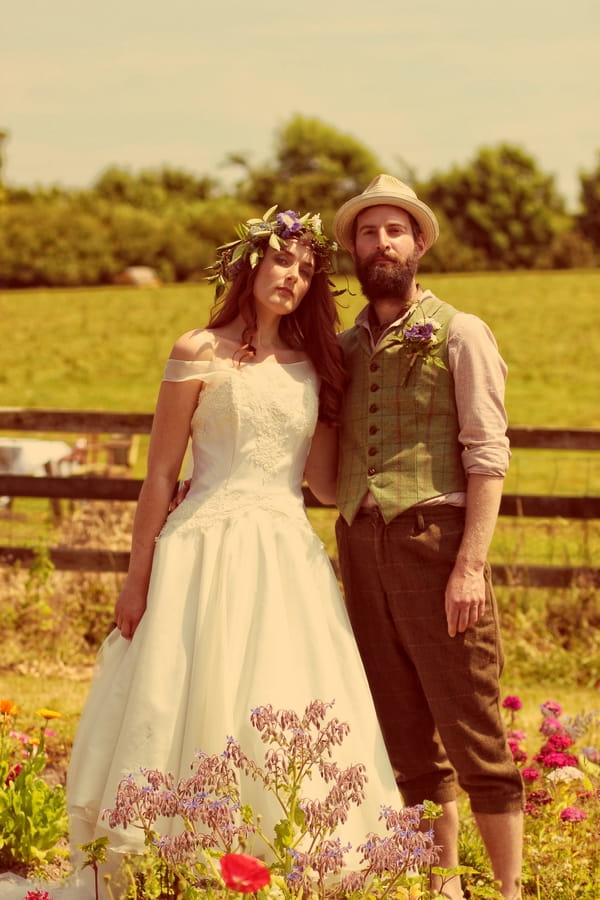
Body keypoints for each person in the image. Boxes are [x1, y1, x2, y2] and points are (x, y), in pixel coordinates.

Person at [0, 208, 400, 900]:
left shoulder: (312, 367)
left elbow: (326, 484)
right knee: (187, 692)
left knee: (277, 694)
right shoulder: (196, 352)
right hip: (202, 547)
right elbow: (159, 475)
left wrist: (359, 420)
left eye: (306, 272)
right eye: (284, 263)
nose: (294, 279)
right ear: (251, 266)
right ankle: (175, 854)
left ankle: (280, 861)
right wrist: (136, 579)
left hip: (284, 553)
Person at [330, 175, 524, 900]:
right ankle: (439, 884)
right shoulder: (343, 348)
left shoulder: (462, 332)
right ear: (353, 248)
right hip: (359, 543)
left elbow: (487, 452)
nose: (383, 243)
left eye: (395, 231)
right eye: (369, 232)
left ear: (418, 245)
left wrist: (470, 566)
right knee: (402, 728)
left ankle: (507, 890)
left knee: (471, 721)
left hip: (436, 540)